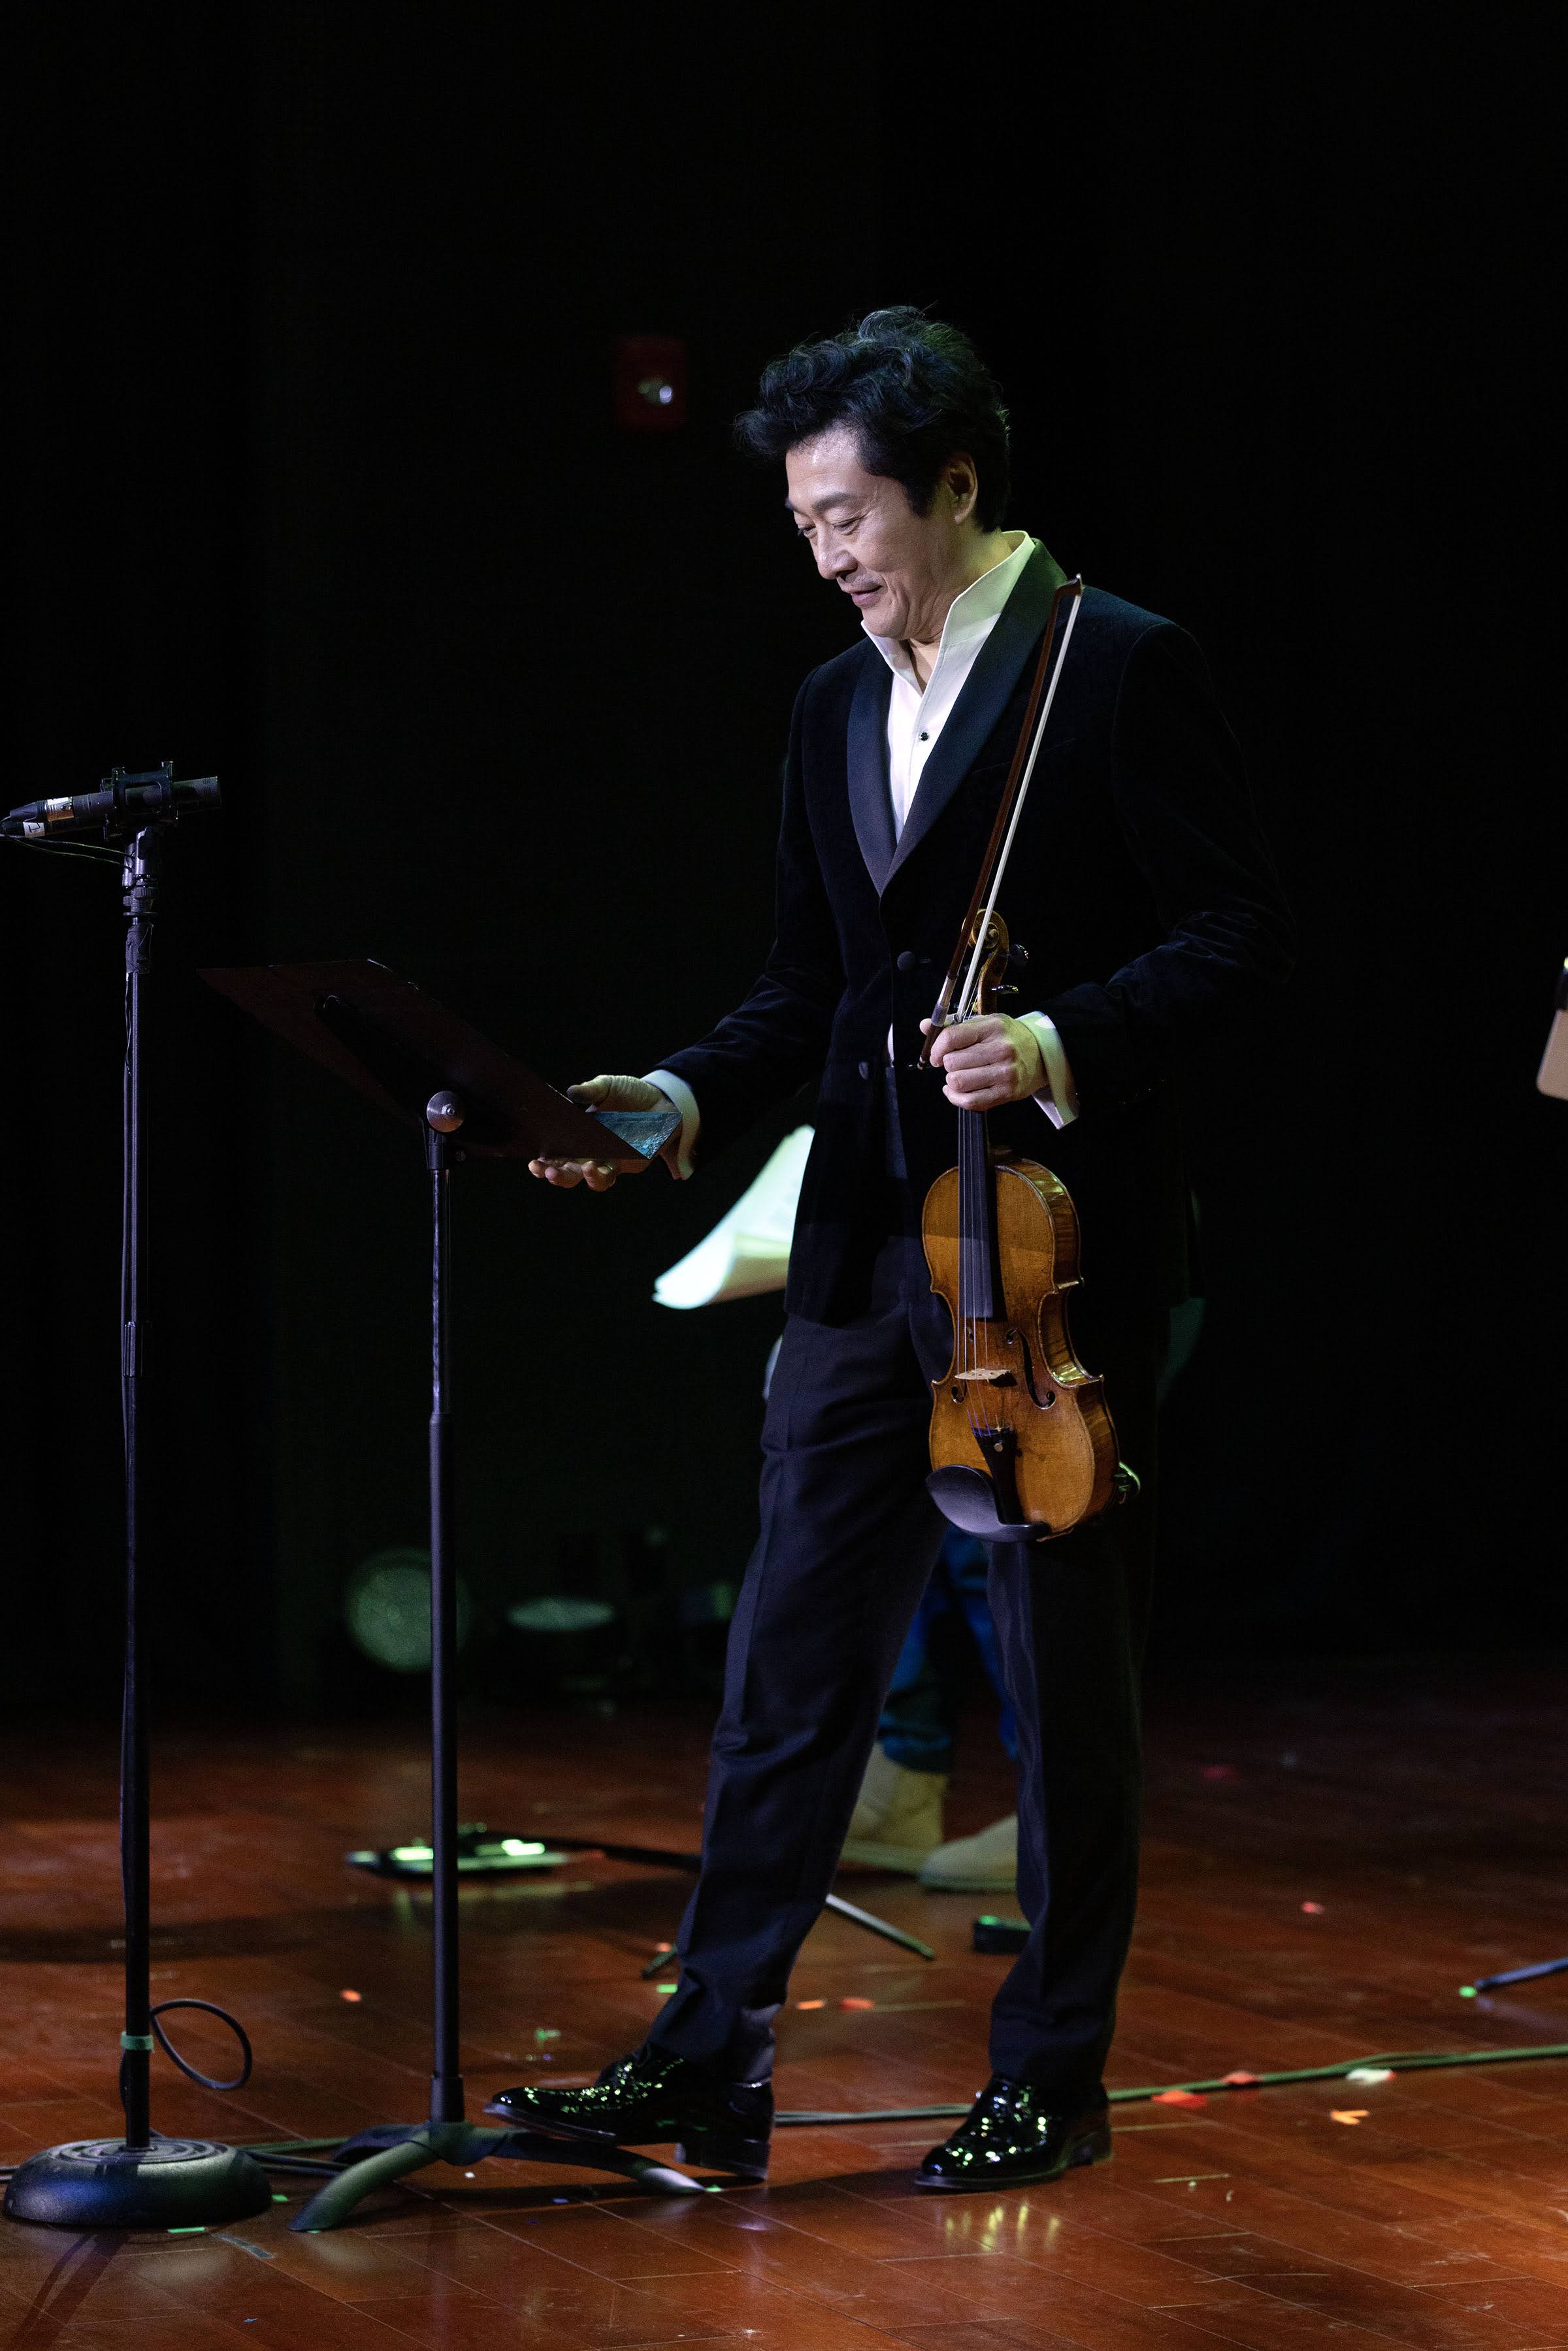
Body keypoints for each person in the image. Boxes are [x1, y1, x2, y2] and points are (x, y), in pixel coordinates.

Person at [487, 308, 1293, 2189]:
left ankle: (1053, 2076)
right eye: (803, 526)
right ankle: (709, 2058)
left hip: (1047, 1258)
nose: (827, 556)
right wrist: (679, 1098)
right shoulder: (830, 705)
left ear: (956, 486)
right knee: (787, 1664)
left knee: (1060, 1680)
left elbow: (1241, 931)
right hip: (863, 1243)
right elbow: (811, 986)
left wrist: (1063, 1038)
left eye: (849, 516)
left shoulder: (1118, 663)